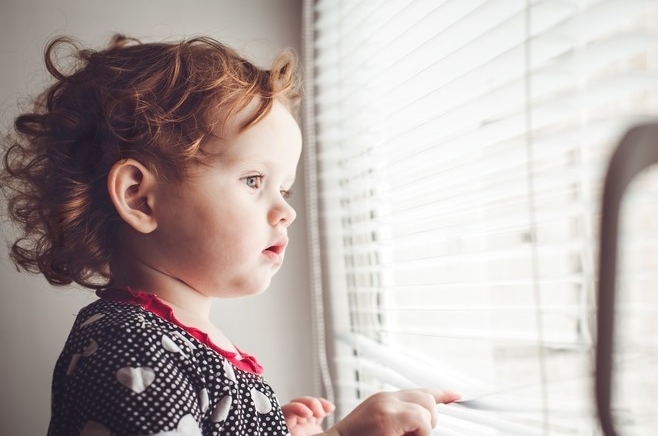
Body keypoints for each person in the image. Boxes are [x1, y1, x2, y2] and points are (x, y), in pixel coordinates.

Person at [1, 34, 459, 436]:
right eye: (254, 180)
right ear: (140, 198)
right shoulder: (134, 349)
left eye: (284, 188)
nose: (286, 211)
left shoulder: (173, 339)